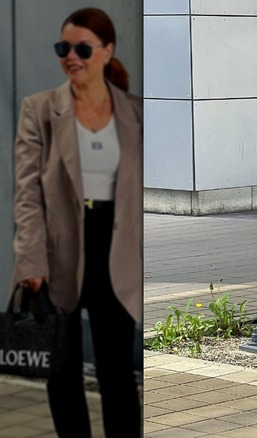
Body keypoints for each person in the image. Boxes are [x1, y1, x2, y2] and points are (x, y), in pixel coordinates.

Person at [11, 7, 142, 437]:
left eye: (82, 48)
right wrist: (30, 259)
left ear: (107, 50)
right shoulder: (40, 110)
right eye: (63, 48)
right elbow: (27, 192)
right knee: (61, 368)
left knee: (117, 372)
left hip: (115, 249)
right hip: (59, 248)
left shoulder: (134, 112)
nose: (71, 56)